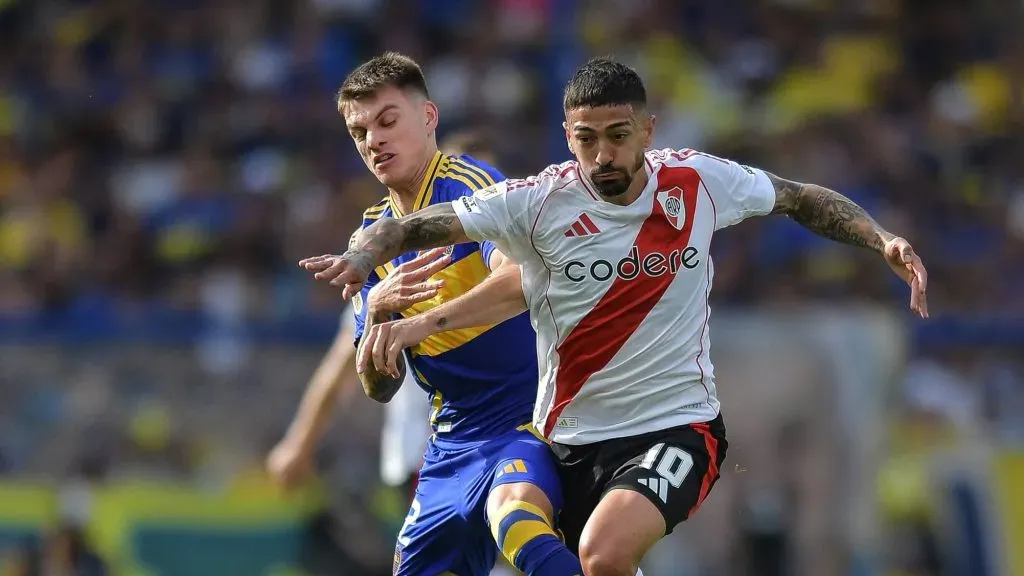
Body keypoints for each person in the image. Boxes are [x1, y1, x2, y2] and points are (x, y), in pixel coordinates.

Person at [300, 57, 929, 576]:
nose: (602, 155)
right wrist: (367, 278)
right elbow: (401, 256)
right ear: (569, 137)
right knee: (523, 534)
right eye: (586, 139)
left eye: (618, 136)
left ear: (647, 132)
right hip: (553, 434)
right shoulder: (539, 200)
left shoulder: (694, 182)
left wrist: (881, 239)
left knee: (588, 549)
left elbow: (798, 198)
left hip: (662, 428)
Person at [290, 52, 583, 576]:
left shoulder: (470, 188)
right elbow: (378, 387)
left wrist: (425, 322)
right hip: (451, 440)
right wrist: (378, 315)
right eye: (359, 132)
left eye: (387, 121)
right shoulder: (369, 240)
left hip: (531, 415)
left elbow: (517, 279)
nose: (373, 141)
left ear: (428, 118)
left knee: (517, 521)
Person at [266, 128, 498, 506]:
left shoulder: (505, 260)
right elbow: (342, 365)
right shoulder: (390, 273)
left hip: (505, 436)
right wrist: (299, 442)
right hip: (426, 450)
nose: (484, 201)